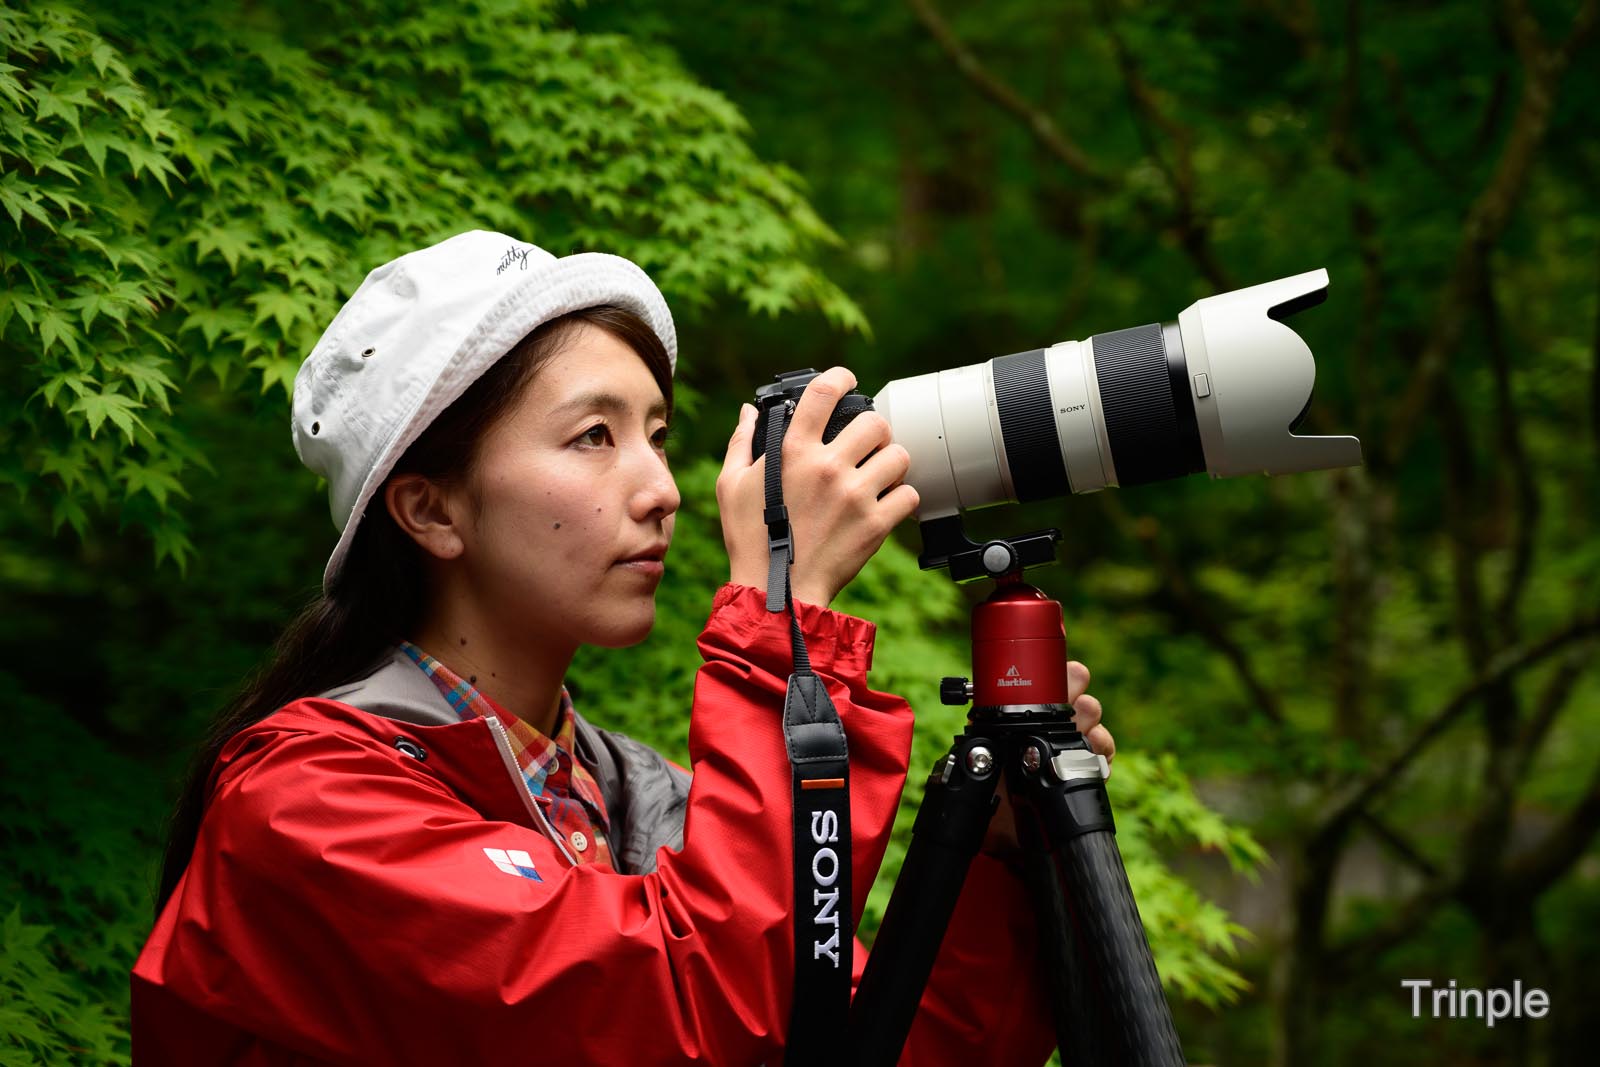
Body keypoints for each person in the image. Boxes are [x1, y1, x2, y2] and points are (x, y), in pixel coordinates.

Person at [131, 230, 1113, 1065]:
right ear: (430, 508)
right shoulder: (308, 806)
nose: (663, 489)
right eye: (593, 437)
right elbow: (680, 1006)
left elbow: (861, 1043)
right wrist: (784, 615)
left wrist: (999, 865)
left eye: (655, 432)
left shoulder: (630, 798)